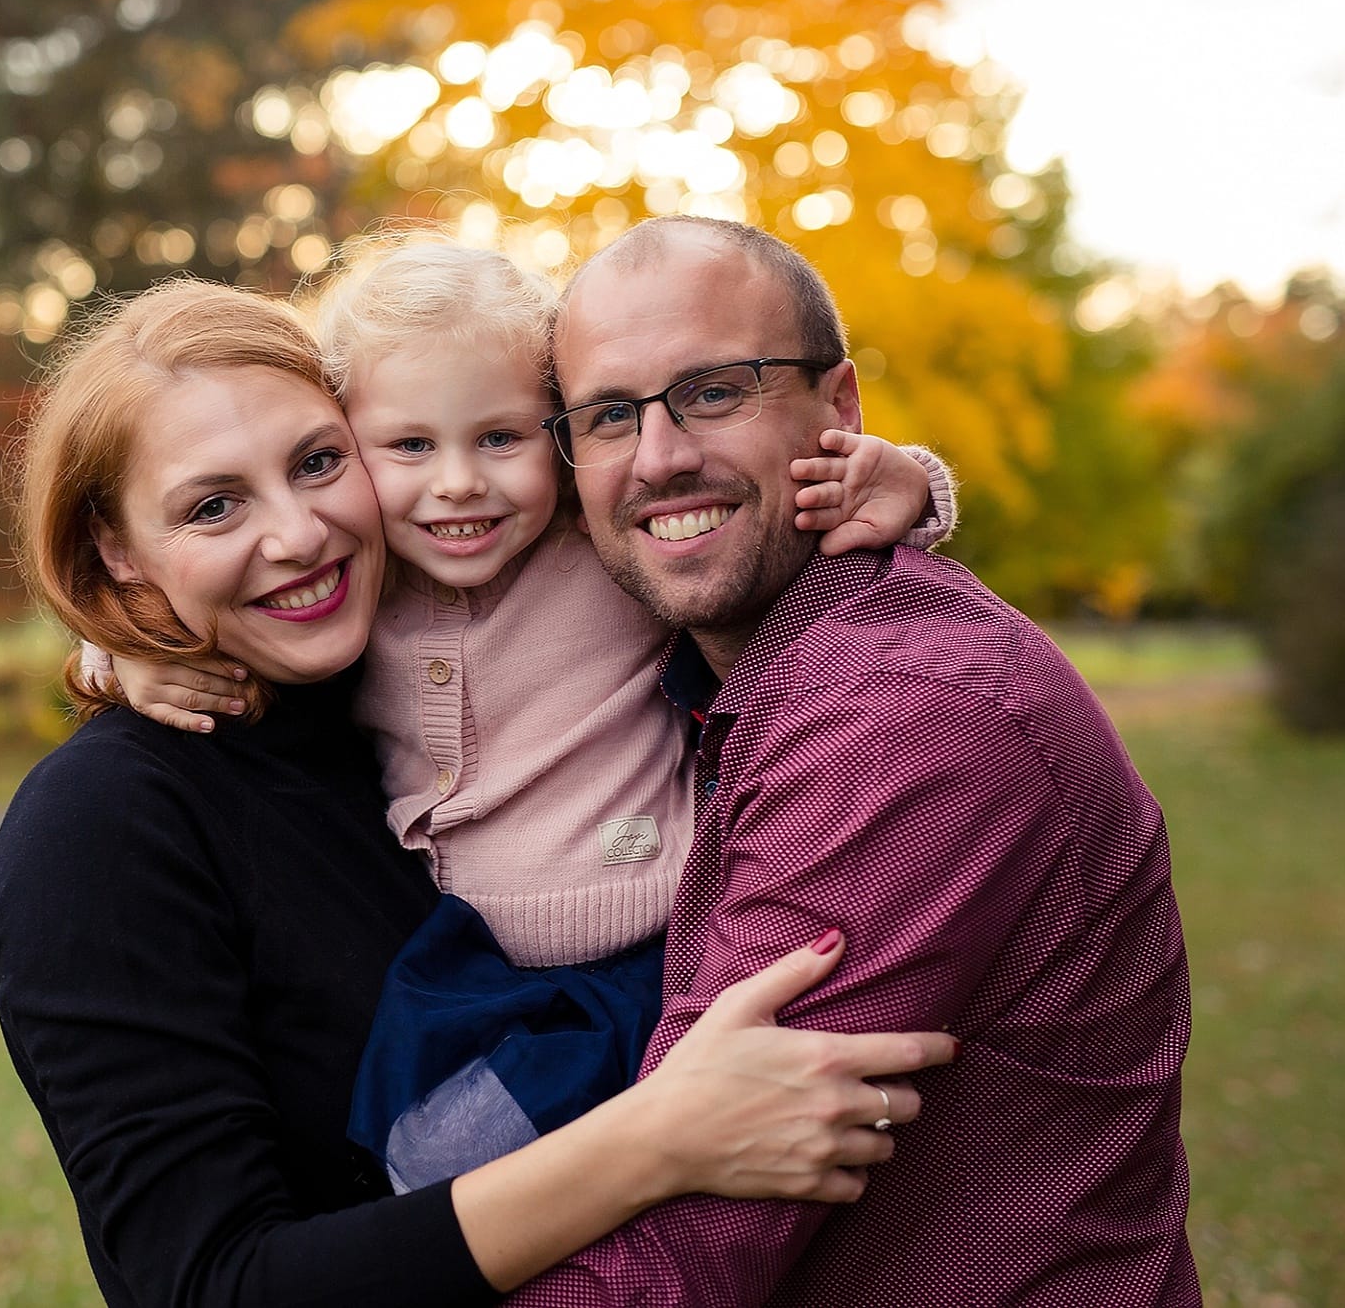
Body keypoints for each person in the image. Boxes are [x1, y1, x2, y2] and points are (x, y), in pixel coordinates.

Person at [0, 276, 958, 1308]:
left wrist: (896, 481)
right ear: (115, 548)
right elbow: (213, 1285)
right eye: (212, 504)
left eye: (318, 463)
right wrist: (658, 1136)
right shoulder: (98, 827)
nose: (301, 534)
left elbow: (707, 508)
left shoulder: (375, 691)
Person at [506, 215, 1199, 1306]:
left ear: (838, 410)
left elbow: (684, 1248)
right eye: (606, 415)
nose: (657, 456)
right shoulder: (728, 675)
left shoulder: (895, 718)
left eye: (715, 390)